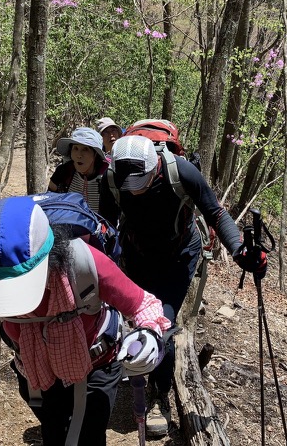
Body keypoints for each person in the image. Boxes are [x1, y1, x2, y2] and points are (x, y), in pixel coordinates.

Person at [0, 195, 171, 446]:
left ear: (48, 256)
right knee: (54, 434)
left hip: (95, 365)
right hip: (34, 371)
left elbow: (144, 305)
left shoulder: (84, 262)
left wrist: (149, 335)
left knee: (88, 438)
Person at [99, 135, 266, 437]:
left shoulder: (182, 172)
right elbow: (107, 225)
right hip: (136, 254)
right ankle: (131, 370)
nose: (134, 192)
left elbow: (215, 212)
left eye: (141, 183)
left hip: (179, 256)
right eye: (129, 186)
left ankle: (158, 395)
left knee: (161, 321)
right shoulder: (111, 178)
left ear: (155, 168)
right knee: (133, 318)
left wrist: (240, 249)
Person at [49, 127, 108, 213]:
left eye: (85, 149)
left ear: (95, 154)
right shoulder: (63, 171)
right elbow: (50, 198)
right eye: (75, 148)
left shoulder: (107, 176)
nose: (79, 155)